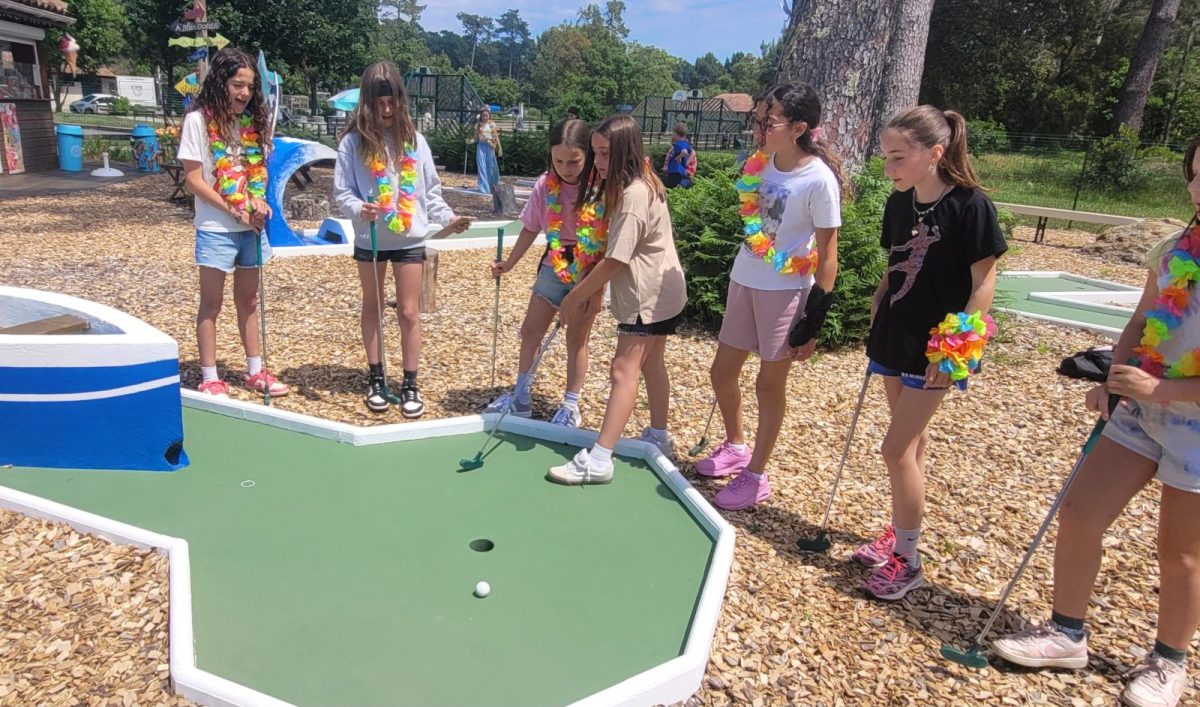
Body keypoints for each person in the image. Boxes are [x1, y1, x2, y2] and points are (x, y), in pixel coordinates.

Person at [991, 140, 1200, 707]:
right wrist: (1116, 378)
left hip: (1195, 428)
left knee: (1180, 552)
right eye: (1195, 174)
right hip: (1142, 409)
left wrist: (1162, 389)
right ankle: (1066, 634)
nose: (1197, 188)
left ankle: (1169, 663)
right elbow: (1141, 320)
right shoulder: (1175, 250)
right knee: (1081, 512)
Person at [851, 105, 1007, 602]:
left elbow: (983, 283)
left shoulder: (970, 205)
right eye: (885, 157)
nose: (889, 168)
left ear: (935, 153)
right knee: (911, 445)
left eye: (898, 157)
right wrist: (878, 299)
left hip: (937, 347)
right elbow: (895, 261)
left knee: (894, 449)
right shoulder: (900, 202)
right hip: (895, 335)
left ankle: (909, 560)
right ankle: (899, 530)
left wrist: (955, 350)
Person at [696, 83, 845, 512]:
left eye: (768, 121)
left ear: (799, 128)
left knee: (768, 384)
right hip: (744, 278)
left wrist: (813, 320)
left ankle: (756, 475)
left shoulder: (818, 179)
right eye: (757, 119)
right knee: (721, 371)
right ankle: (736, 445)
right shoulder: (759, 164)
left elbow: (828, 255)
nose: (758, 128)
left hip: (785, 291)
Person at [547, 114, 687, 485]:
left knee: (622, 370)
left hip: (647, 295)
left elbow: (615, 260)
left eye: (606, 153)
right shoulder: (644, 180)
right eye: (595, 152)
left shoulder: (632, 196)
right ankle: (659, 435)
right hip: (664, 291)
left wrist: (574, 296)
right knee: (652, 363)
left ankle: (599, 459)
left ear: (626, 150)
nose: (598, 161)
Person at [333, 61, 471, 416]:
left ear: (400, 100)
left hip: (409, 239)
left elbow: (430, 193)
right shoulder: (353, 143)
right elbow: (342, 192)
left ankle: (410, 383)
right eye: (378, 103)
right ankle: (376, 377)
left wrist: (449, 218)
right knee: (374, 307)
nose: (386, 110)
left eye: (391, 101)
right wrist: (358, 208)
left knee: (409, 311)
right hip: (371, 239)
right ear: (367, 103)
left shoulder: (415, 141)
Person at [178, 47, 288, 399]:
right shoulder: (198, 121)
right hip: (216, 229)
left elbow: (256, 174)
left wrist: (257, 203)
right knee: (211, 303)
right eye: (237, 85)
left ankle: (255, 370)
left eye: (250, 87)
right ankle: (210, 376)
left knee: (249, 301)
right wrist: (235, 210)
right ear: (220, 83)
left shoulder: (251, 124)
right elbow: (194, 181)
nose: (244, 93)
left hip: (250, 227)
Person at [483, 119, 601, 427]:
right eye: (558, 161)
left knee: (576, 339)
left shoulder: (600, 187)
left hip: (589, 268)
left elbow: (609, 239)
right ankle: (521, 396)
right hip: (554, 263)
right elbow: (531, 227)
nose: (565, 168)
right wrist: (510, 263)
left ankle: (570, 405)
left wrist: (596, 286)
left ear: (588, 155)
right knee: (531, 330)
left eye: (574, 161)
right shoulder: (545, 185)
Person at [473, 107, 502, 195]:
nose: (485, 117)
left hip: (490, 147)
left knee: (490, 167)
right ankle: (483, 187)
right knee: (481, 166)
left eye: (487, 115)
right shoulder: (478, 125)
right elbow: (475, 138)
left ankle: (492, 185)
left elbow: (495, 137)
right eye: (483, 115)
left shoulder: (492, 125)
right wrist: (469, 141)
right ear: (481, 116)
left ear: (489, 116)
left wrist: (499, 148)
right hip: (481, 146)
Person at [663, 123, 693, 189]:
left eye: (673, 133)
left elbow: (684, 152)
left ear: (676, 134)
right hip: (680, 170)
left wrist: (678, 157)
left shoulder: (678, 145)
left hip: (674, 170)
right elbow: (691, 152)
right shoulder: (685, 143)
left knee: (671, 187)